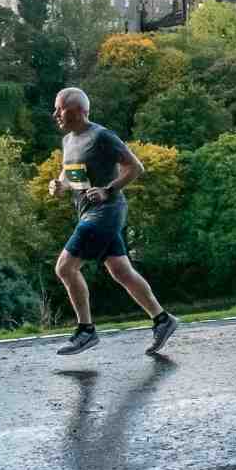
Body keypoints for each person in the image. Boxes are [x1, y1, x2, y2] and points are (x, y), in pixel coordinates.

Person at [48, 87, 178, 356]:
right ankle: (163, 320)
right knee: (121, 271)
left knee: (65, 268)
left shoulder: (102, 136)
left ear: (80, 110)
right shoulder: (68, 141)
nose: (55, 114)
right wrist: (59, 186)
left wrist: (108, 189)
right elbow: (70, 175)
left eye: (60, 108)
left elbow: (135, 167)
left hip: (105, 212)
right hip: (86, 212)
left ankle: (86, 331)